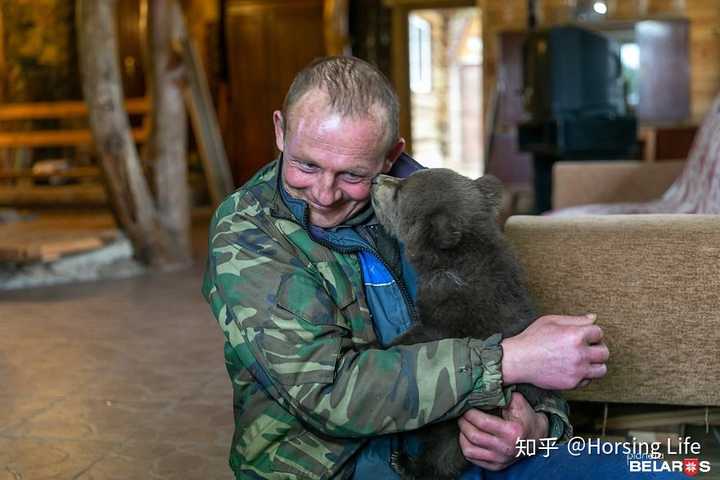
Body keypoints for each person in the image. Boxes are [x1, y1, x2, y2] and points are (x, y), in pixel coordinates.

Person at [202, 56, 670, 480]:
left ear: (390, 156)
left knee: (660, 473)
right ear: (281, 131)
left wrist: (534, 424)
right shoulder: (246, 232)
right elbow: (328, 393)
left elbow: (511, 323)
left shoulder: (426, 200)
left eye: (353, 175)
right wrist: (508, 360)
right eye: (306, 164)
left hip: (456, 445)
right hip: (336, 467)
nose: (325, 194)